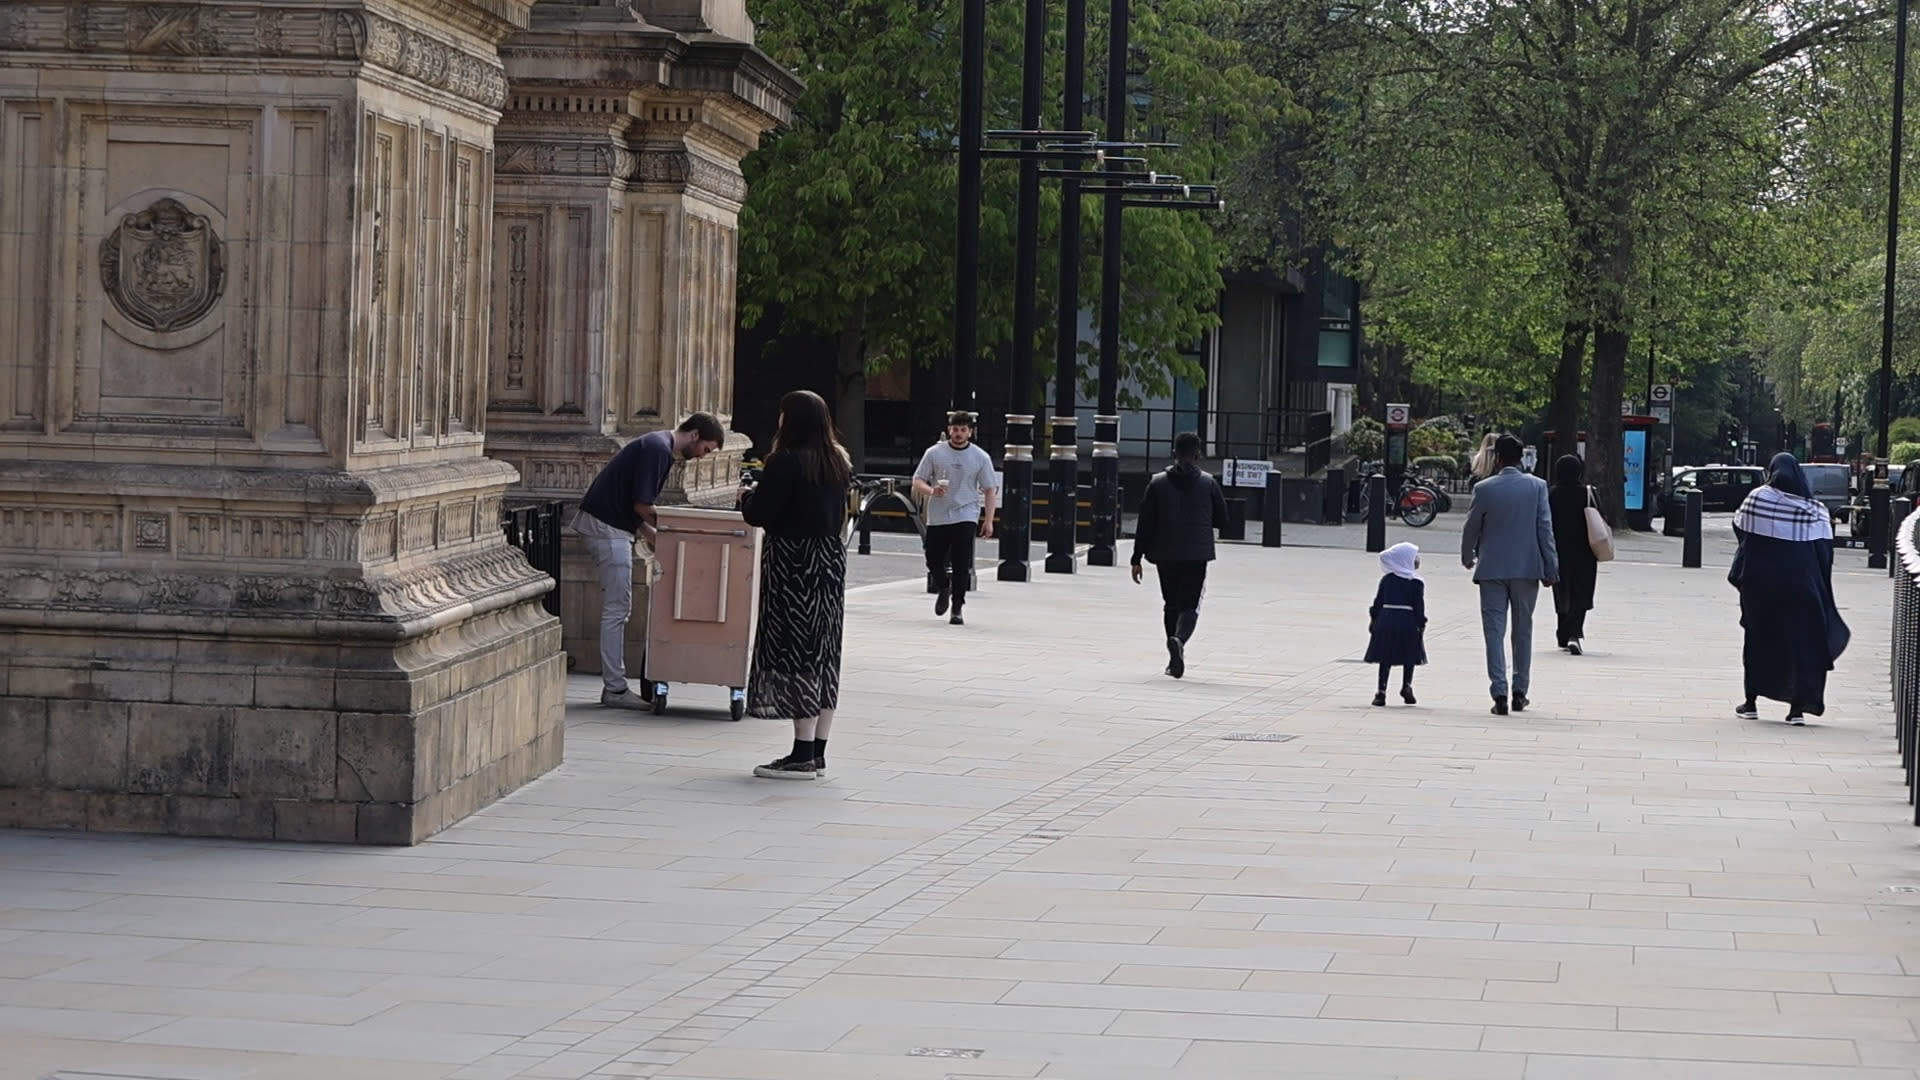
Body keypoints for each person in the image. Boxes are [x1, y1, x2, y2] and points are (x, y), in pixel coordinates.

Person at [575, 412, 726, 709]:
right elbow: (642, 505)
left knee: (618, 608)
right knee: (617, 609)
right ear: (695, 435)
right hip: (607, 528)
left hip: (610, 525)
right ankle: (615, 689)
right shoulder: (658, 449)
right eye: (706, 449)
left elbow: (635, 506)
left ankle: (615, 686)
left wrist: (653, 533)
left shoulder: (657, 446)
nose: (701, 457)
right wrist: (670, 528)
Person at [740, 390, 851, 778]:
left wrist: (746, 498)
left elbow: (761, 514)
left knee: (795, 651)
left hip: (792, 565)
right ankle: (818, 752)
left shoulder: (785, 461)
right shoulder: (838, 460)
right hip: (829, 562)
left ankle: (801, 754)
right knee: (823, 652)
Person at [1729, 452, 1850, 725]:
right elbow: (1824, 553)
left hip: (1760, 586)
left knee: (1757, 640)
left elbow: (1740, 529)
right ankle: (1797, 708)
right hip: (1800, 587)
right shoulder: (1815, 509)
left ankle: (1751, 702)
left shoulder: (1757, 498)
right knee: (1800, 644)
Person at [1461, 434, 1559, 715]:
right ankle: (1520, 690)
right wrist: (1551, 567)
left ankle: (1499, 692)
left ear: (1498, 458)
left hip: (1492, 567)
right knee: (1523, 630)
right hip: (1527, 567)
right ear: (1521, 458)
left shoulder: (1484, 488)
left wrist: (1468, 555)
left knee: (1494, 631)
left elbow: (1472, 526)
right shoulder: (1538, 487)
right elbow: (1544, 529)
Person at [1129, 431, 1229, 679]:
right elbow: (1223, 520)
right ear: (1198, 454)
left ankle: (1173, 659)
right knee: (1190, 606)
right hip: (1197, 554)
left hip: (1165, 553)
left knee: (1170, 604)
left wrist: (1136, 558)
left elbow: (1145, 524)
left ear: (1174, 453)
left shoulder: (1157, 483)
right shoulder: (1208, 483)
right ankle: (1179, 640)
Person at [911, 412, 999, 626]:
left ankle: (957, 605)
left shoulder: (980, 457)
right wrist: (931, 491)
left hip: (966, 513)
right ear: (949, 429)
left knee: (961, 561)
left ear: (970, 432)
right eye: (955, 429)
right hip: (939, 514)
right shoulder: (934, 453)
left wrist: (988, 520)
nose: (958, 433)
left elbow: (989, 489)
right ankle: (943, 586)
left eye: (963, 430)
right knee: (933, 557)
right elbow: (917, 479)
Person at [1548, 454, 1600, 655]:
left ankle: (1562, 631)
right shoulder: (1587, 493)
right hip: (1585, 549)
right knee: (1581, 590)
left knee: (1562, 590)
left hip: (1559, 549)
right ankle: (1575, 632)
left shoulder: (1551, 493)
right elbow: (1602, 516)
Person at [1365, 542, 1427, 706]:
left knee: (1385, 656)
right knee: (1410, 654)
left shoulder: (1387, 580)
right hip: (1407, 620)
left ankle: (1381, 691)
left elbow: (1378, 602)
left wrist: (1374, 619)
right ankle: (1407, 685)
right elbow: (1418, 606)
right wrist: (1421, 623)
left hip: (1386, 619)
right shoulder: (1416, 582)